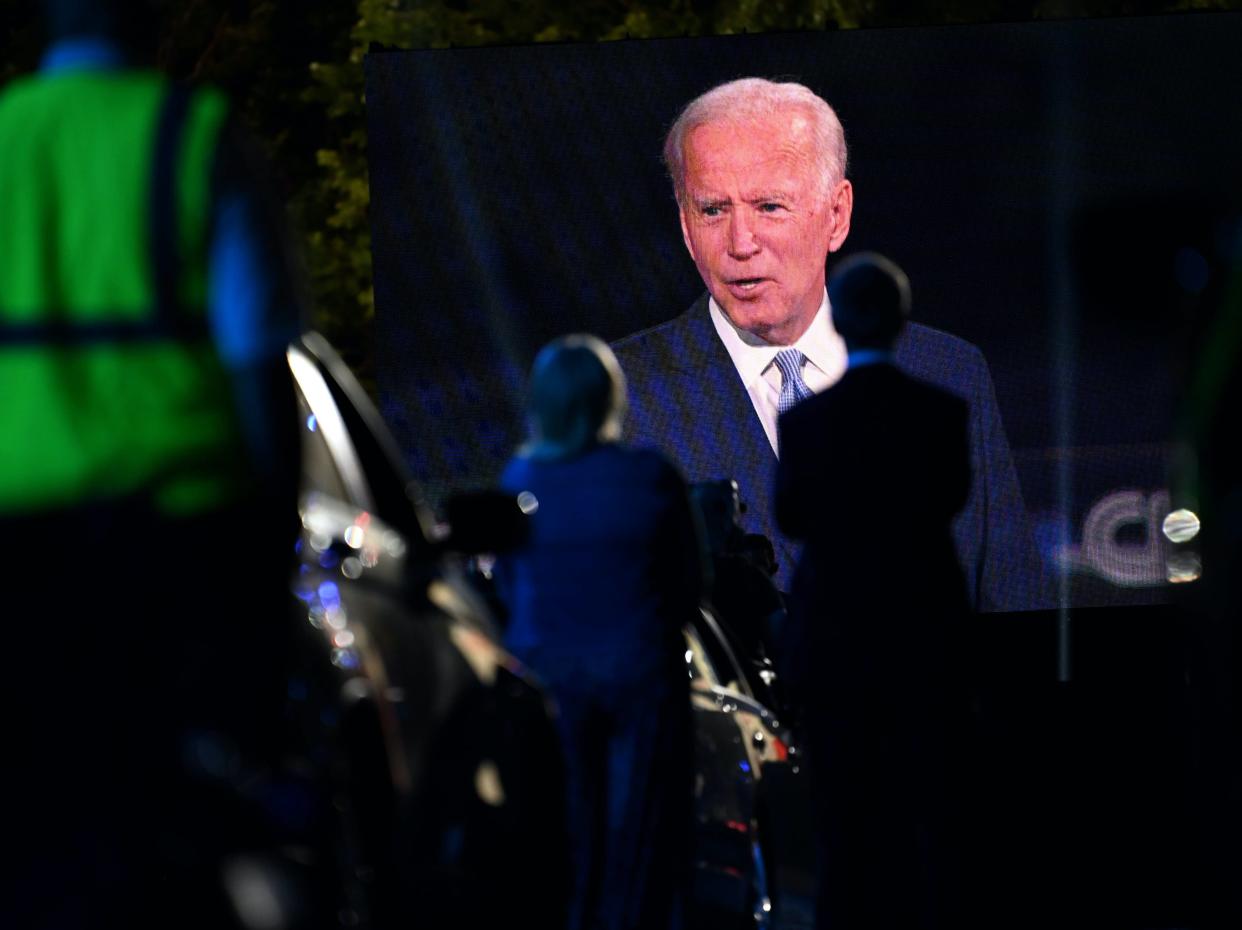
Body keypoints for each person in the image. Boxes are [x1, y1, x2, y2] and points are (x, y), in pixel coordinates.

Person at [1, 2, 304, 926]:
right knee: (188, 822)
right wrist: (273, 530)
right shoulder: (194, 135)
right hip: (179, 537)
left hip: (18, 544)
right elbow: (258, 355)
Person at [612, 77, 1048, 611]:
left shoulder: (948, 372)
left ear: (836, 215)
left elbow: (1017, 607)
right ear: (684, 224)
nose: (741, 244)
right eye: (712, 211)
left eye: (769, 207)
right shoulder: (620, 398)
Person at [775, 252, 974, 929]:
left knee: (844, 825)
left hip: (833, 649)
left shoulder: (804, 425)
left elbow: (792, 517)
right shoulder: (940, 413)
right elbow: (952, 498)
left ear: (838, 321)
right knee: (932, 820)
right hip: (924, 643)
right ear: (901, 321)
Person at [493, 334, 702, 930]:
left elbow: (509, 588)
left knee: (565, 845)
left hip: (551, 686)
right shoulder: (650, 477)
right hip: (639, 683)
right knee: (636, 848)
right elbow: (687, 586)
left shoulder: (519, 479)